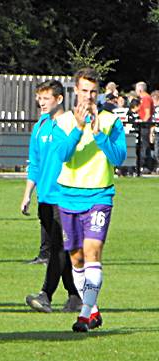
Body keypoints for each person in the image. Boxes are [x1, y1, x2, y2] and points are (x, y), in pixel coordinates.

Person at [54, 68, 126, 332]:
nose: (89, 96)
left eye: (93, 91)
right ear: (75, 91)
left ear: (99, 92)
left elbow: (118, 158)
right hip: (68, 195)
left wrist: (97, 134)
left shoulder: (109, 121)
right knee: (76, 257)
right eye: (84, 90)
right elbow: (62, 154)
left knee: (92, 252)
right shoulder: (63, 122)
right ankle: (93, 310)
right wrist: (79, 128)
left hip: (99, 194)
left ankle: (84, 315)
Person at [22, 80, 82, 313]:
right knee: (62, 249)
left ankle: (45, 295)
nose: (41, 103)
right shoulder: (40, 126)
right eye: (40, 98)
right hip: (45, 196)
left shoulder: (69, 123)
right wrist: (28, 193)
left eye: (46, 98)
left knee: (57, 246)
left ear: (59, 99)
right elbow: (35, 163)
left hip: (64, 195)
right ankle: (76, 296)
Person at [136, 82, 154, 172]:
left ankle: (145, 166)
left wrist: (141, 123)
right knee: (143, 145)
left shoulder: (146, 99)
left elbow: (147, 114)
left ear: (140, 90)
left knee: (144, 146)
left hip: (145, 126)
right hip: (144, 125)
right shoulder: (144, 99)